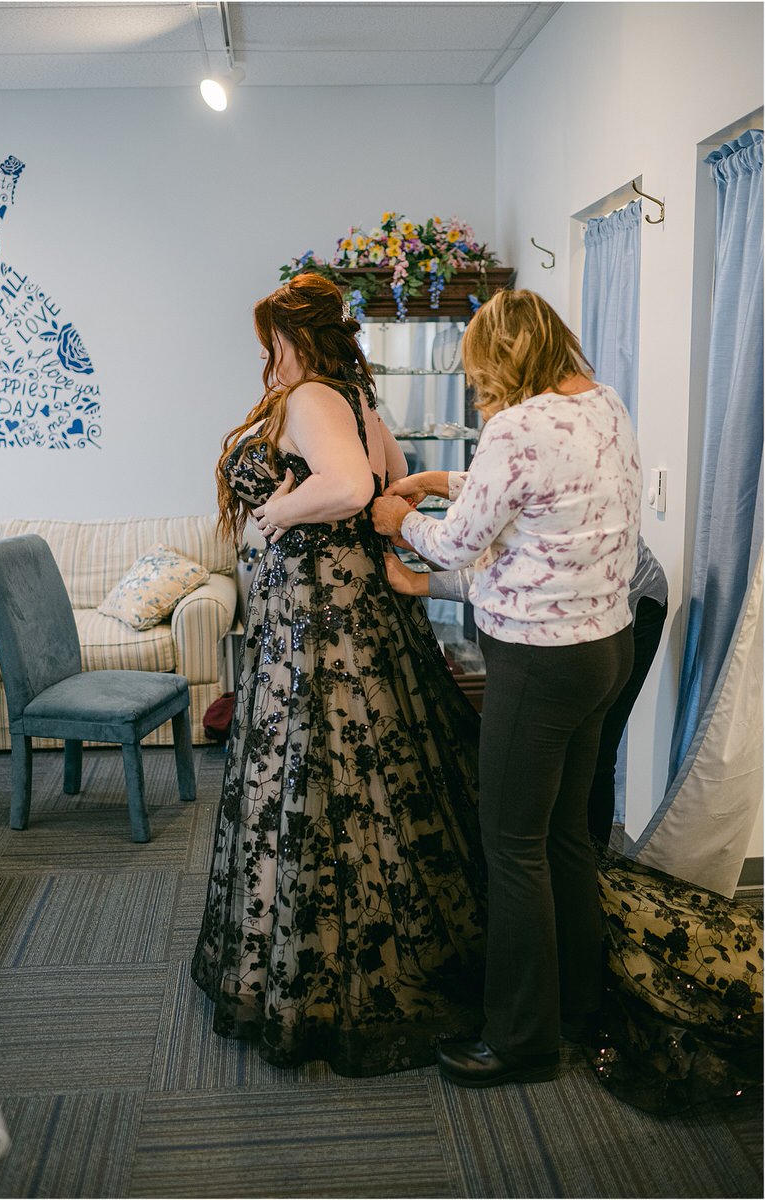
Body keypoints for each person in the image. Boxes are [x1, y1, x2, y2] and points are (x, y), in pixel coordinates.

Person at [191, 273, 489, 1077]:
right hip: (356, 612)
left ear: (293, 339)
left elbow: (357, 489)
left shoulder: (313, 398)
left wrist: (277, 513)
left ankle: (330, 967)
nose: (265, 357)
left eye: (270, 343)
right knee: (371, 773)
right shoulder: (355, 400)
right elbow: (391, 480)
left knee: (323, 773)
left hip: (319, 624)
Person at [372, 288, 642, 1088]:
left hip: (539, 663)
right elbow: (541, 500)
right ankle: (576, 1001)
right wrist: (446, 477)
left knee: (513, 847)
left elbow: (459, 543)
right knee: (565, 836)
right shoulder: (602, 402)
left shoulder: (514, 426)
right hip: (605, 649)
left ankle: (520, 1041)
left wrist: (402, 523)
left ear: (502, 359)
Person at [384, 534, 668, 845]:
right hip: (567, 616)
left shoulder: (556, 498)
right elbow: (487, 554)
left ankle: (594, 862)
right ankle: (571, 859)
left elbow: (510, 579)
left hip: (627, 608)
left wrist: (418, 582)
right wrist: (424, 545)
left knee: (596, 750)